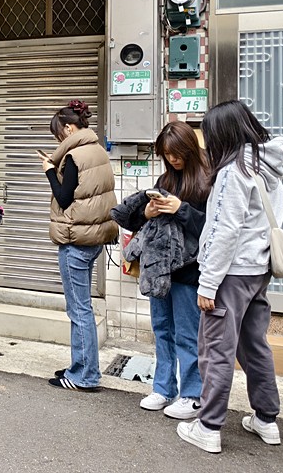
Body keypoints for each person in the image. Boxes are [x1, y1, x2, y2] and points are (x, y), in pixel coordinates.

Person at [176, 100, 283, 454]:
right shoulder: (267, 166)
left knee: (216, 350)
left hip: (231, 275)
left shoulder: (232, 172)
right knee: (255, 345)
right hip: (258, 271)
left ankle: (208, 427)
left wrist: (208, 283)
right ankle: (267, 419)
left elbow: (225, 229)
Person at [111, 122, 208, 417]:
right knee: (162, 330)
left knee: (187, 334)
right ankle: (163, 388)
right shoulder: (166, 179)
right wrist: (147, 212)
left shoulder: (207, 180)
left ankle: (192, 394)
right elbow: (145, 222)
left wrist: (181, 208)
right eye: (167, 155)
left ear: (190, 149)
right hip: (160, 269)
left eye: (177, 154)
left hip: (190, 271)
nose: (173, 160)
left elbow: (210, 229)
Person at [37, 100, 117, 391]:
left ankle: (84, 375)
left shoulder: (73, 156)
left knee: (78, 310)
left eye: (59, 134)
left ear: (69, 128)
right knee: (83, 308)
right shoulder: (98, 150)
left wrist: (49, 169)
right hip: (94, 238)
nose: (59, 140)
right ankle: (81, 367)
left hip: (75, 241)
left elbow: (64, 197)